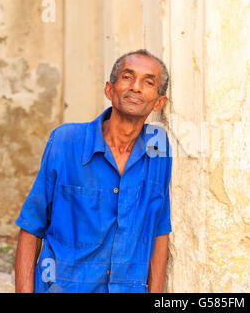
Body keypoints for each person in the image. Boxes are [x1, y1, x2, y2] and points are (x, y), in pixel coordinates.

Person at [14, 49, 172, 293]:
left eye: (148, 82)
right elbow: (31, 227)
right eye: (127, 77)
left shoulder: (158, 148)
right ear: (110, 90)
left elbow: (159, 230)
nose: (136, 87)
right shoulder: (66, 141)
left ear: (159, 102)